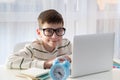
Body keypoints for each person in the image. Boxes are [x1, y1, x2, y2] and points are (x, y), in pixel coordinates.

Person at [6, 9, 72, 69]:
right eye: (49, 31)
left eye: (59, 30)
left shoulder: (66, 44)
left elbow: (80, 56)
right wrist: (45, 64)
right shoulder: (33, 48)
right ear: (39, 33)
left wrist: (71, 59)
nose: (54, 36)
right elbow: (9, 61)